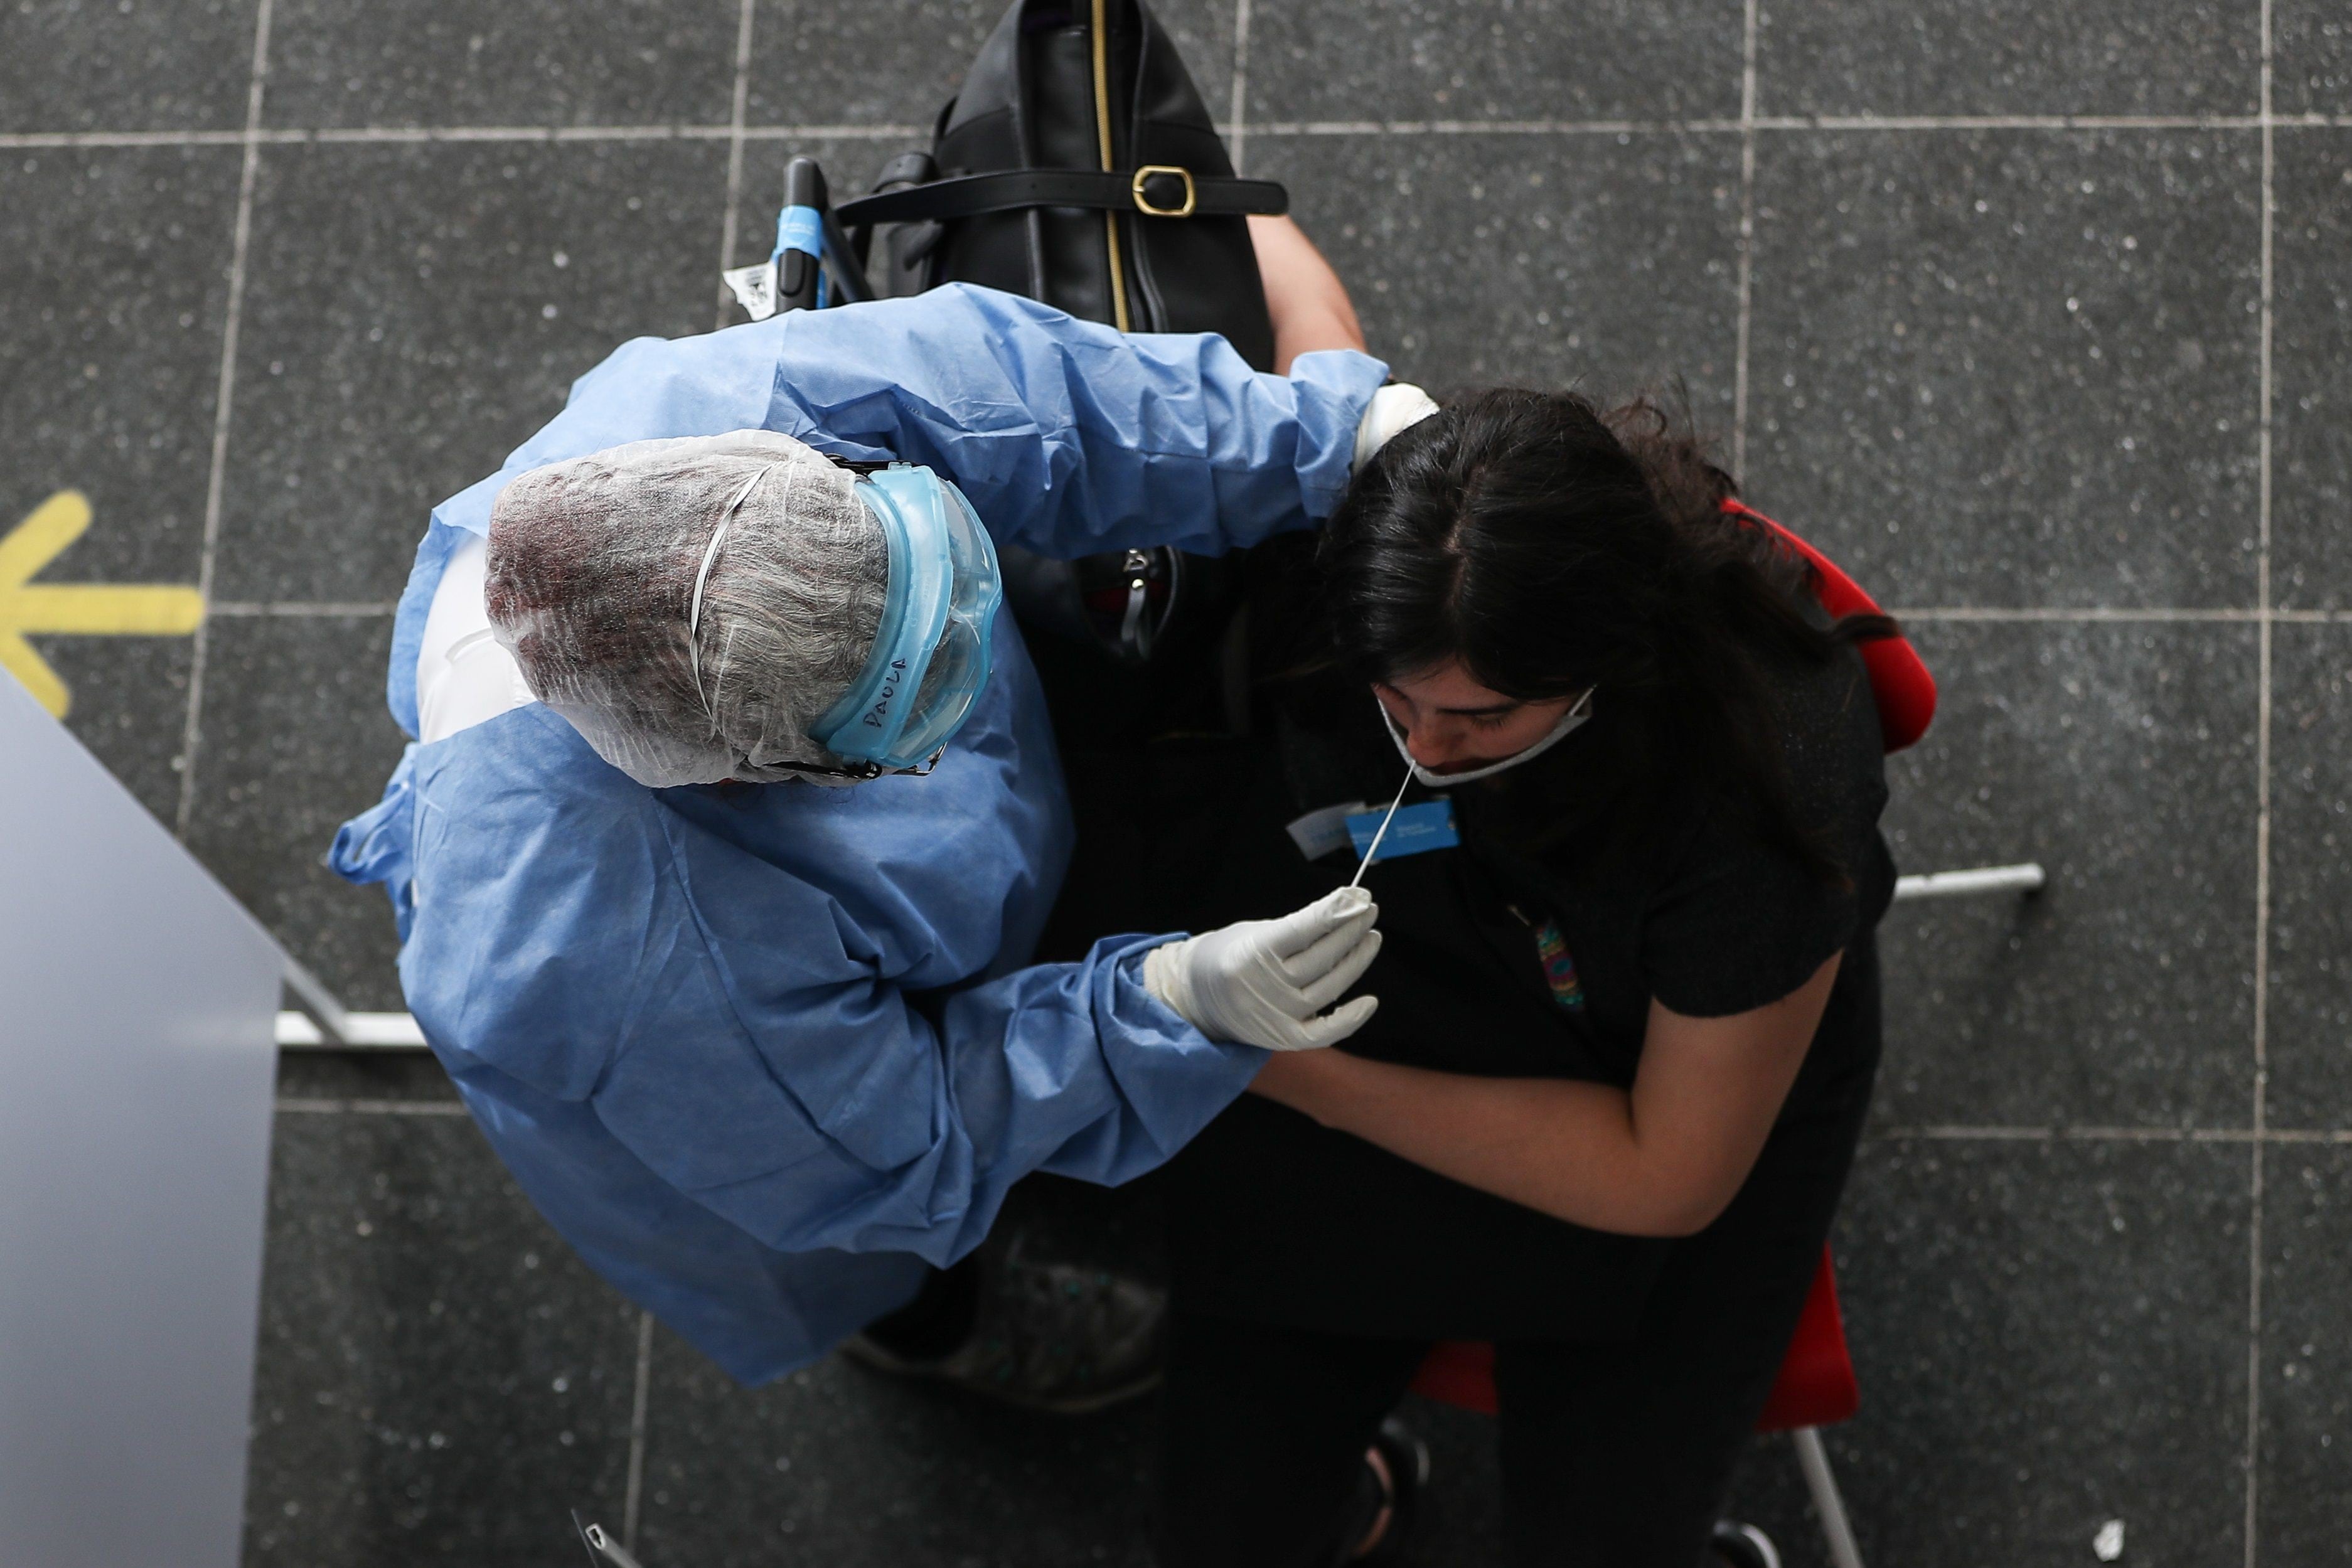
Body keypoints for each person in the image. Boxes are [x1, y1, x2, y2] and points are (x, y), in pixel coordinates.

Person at [328, 282, 1396, 1398]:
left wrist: (1333, 441)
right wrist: (1165, 1011)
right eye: (905, 717)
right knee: (860, 1249)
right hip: (757, 1127)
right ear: (741, 778)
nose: (970, 677)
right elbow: (899, 1133)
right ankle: (936, 1329)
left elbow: (1018, 398)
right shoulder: (624, 962)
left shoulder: (710, 417)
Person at [1150, 242, 1897, 1568]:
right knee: (1220, 1528)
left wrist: (1294, 1073)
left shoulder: (1763, 773)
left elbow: (1663, 1172)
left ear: (1609, 653)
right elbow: (1266, 260)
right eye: (1394, 704)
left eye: (1480, 717)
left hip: (1660, 1086)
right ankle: (1355, 1500)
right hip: (1415, 990)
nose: (1423, 751)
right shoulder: (1361, 556)